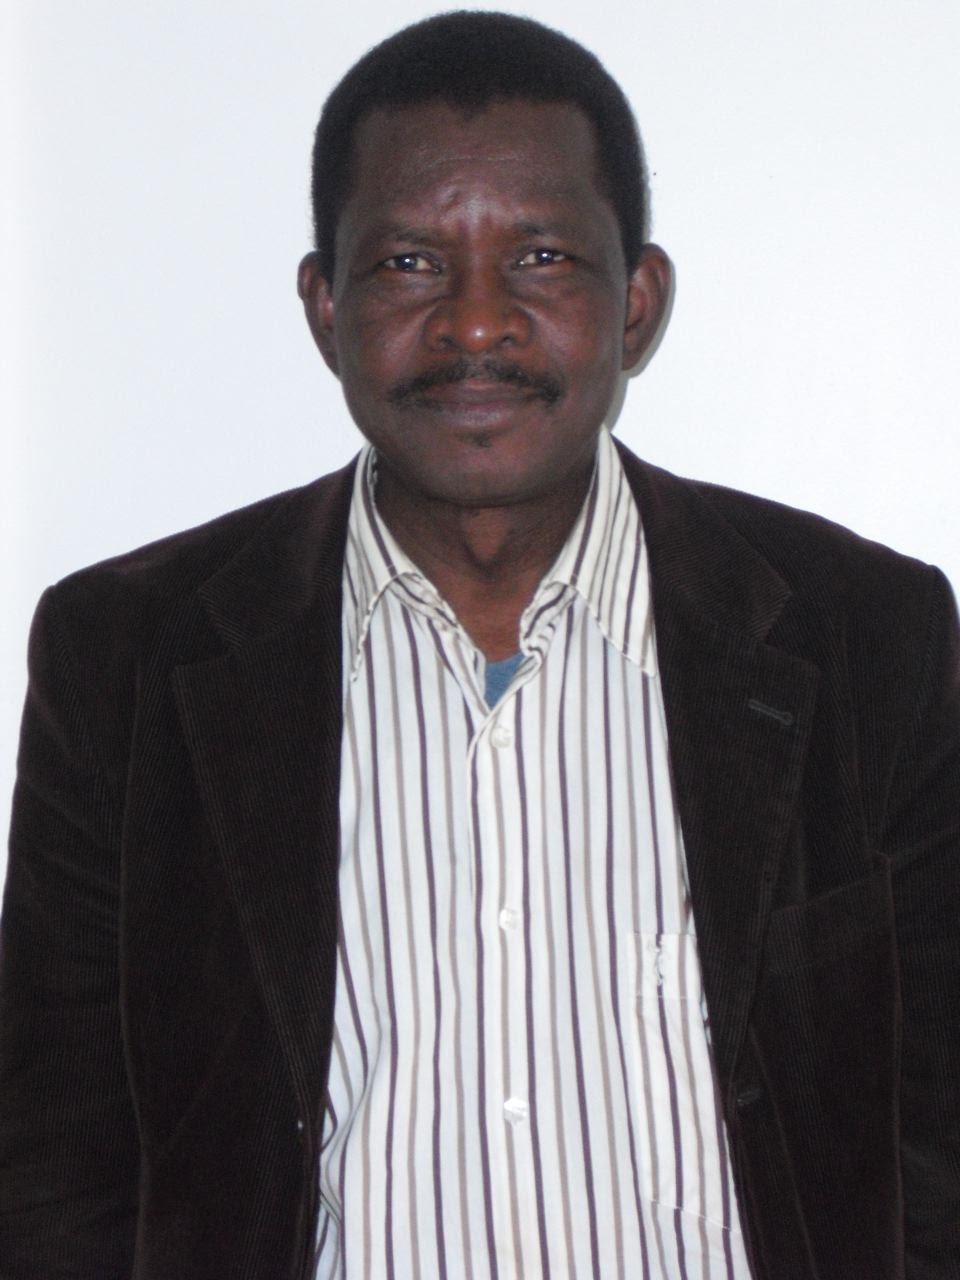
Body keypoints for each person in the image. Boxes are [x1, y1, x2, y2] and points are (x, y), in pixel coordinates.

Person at [1, 10, 958, 1279]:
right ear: (324, 305)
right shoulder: (125, 657)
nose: (475, 325)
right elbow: (55, 1173)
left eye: (542, 256)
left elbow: (936, 1143)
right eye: (408, 263)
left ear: (637, 301)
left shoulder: (866, 635)